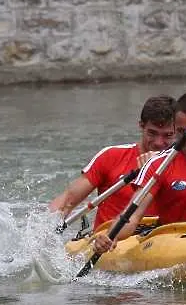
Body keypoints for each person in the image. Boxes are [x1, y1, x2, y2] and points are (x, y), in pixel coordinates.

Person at [93, 90, 186, 253]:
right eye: (183, 132)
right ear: (174, 128)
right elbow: (133, 215)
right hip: (175, 241)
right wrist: (111, 235)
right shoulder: (159, 164)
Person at [49, 95, 176, 228]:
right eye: (152, 133)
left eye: (168, 135)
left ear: (178, 132)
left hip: (159, 239)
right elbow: (67, 202)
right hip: (107, 241)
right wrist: (45, 231)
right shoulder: (111, 157)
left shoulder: (185, 164)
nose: (159, 142)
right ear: (141, 126)